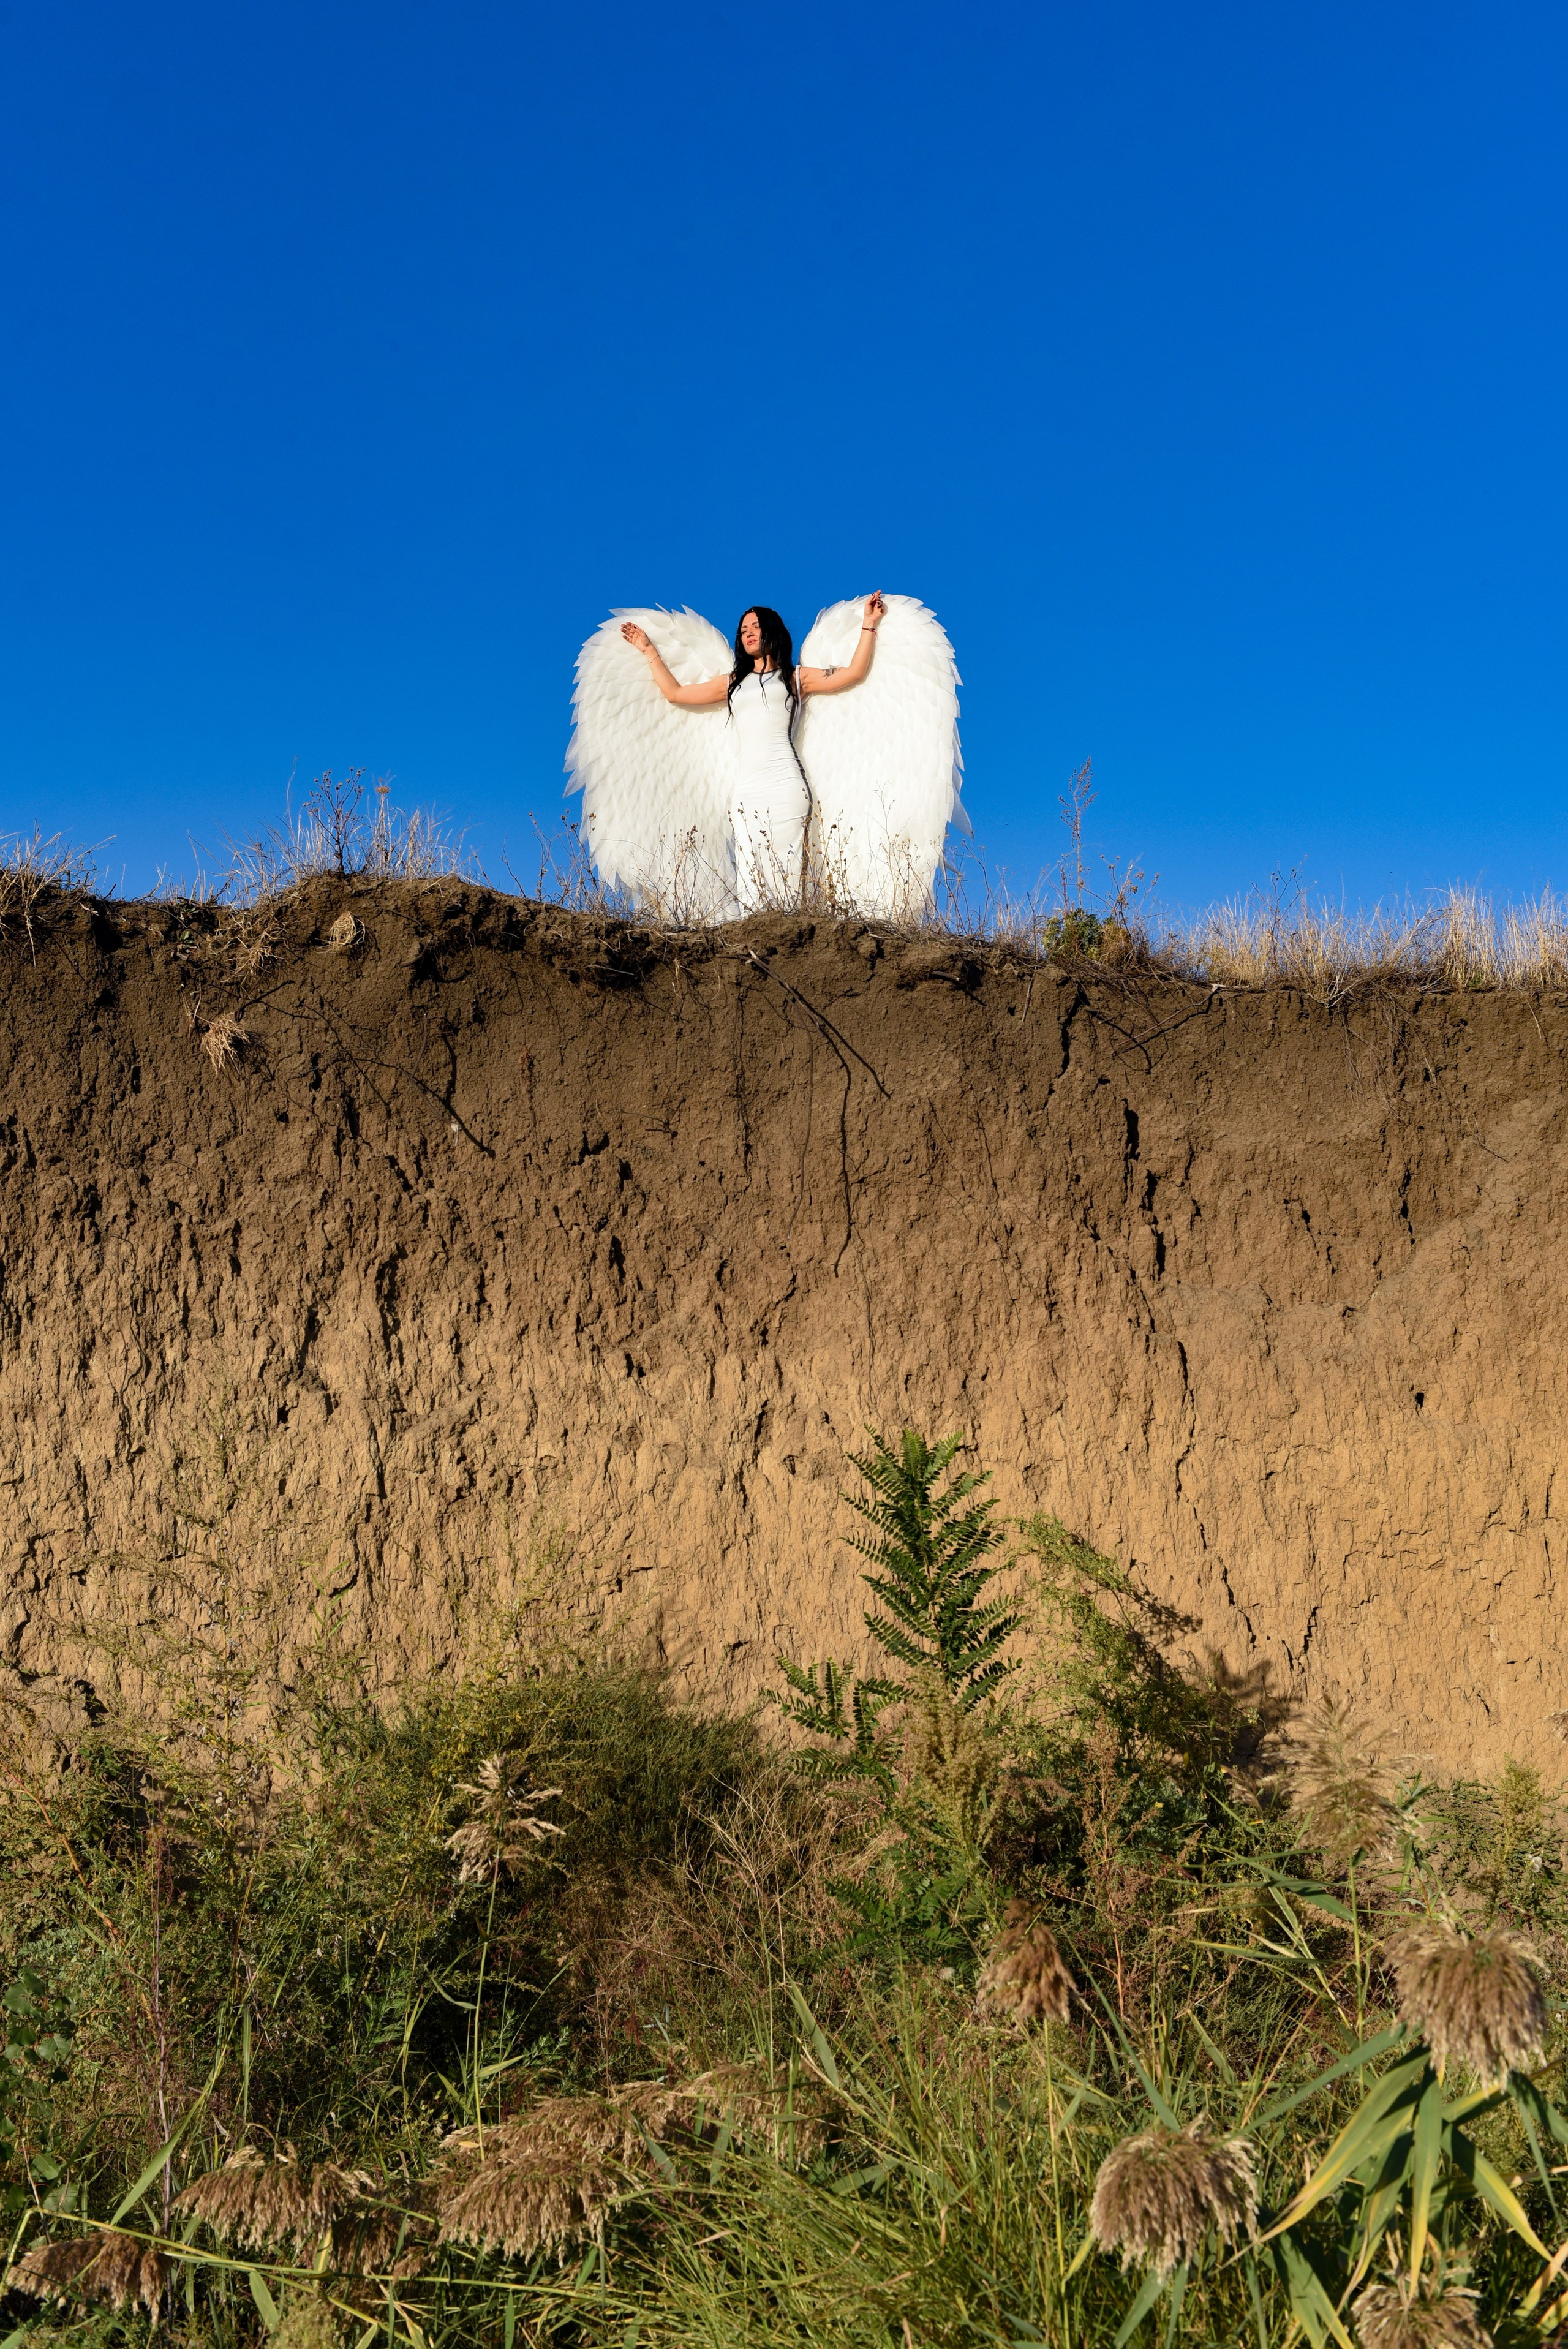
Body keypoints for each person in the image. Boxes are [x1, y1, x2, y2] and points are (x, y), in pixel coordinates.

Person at [619, 594, 886, 910]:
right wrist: (649, 650)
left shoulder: (796, 677)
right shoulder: (733, 682)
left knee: (787, 873)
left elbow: (854, 673)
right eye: (744, 629)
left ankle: (793, 933)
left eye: (756, 627)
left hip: (786, 785)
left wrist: (869, 623)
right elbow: (676, 694)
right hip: (747, 791)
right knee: (751, 875)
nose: (748, 634)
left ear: (772, 631)